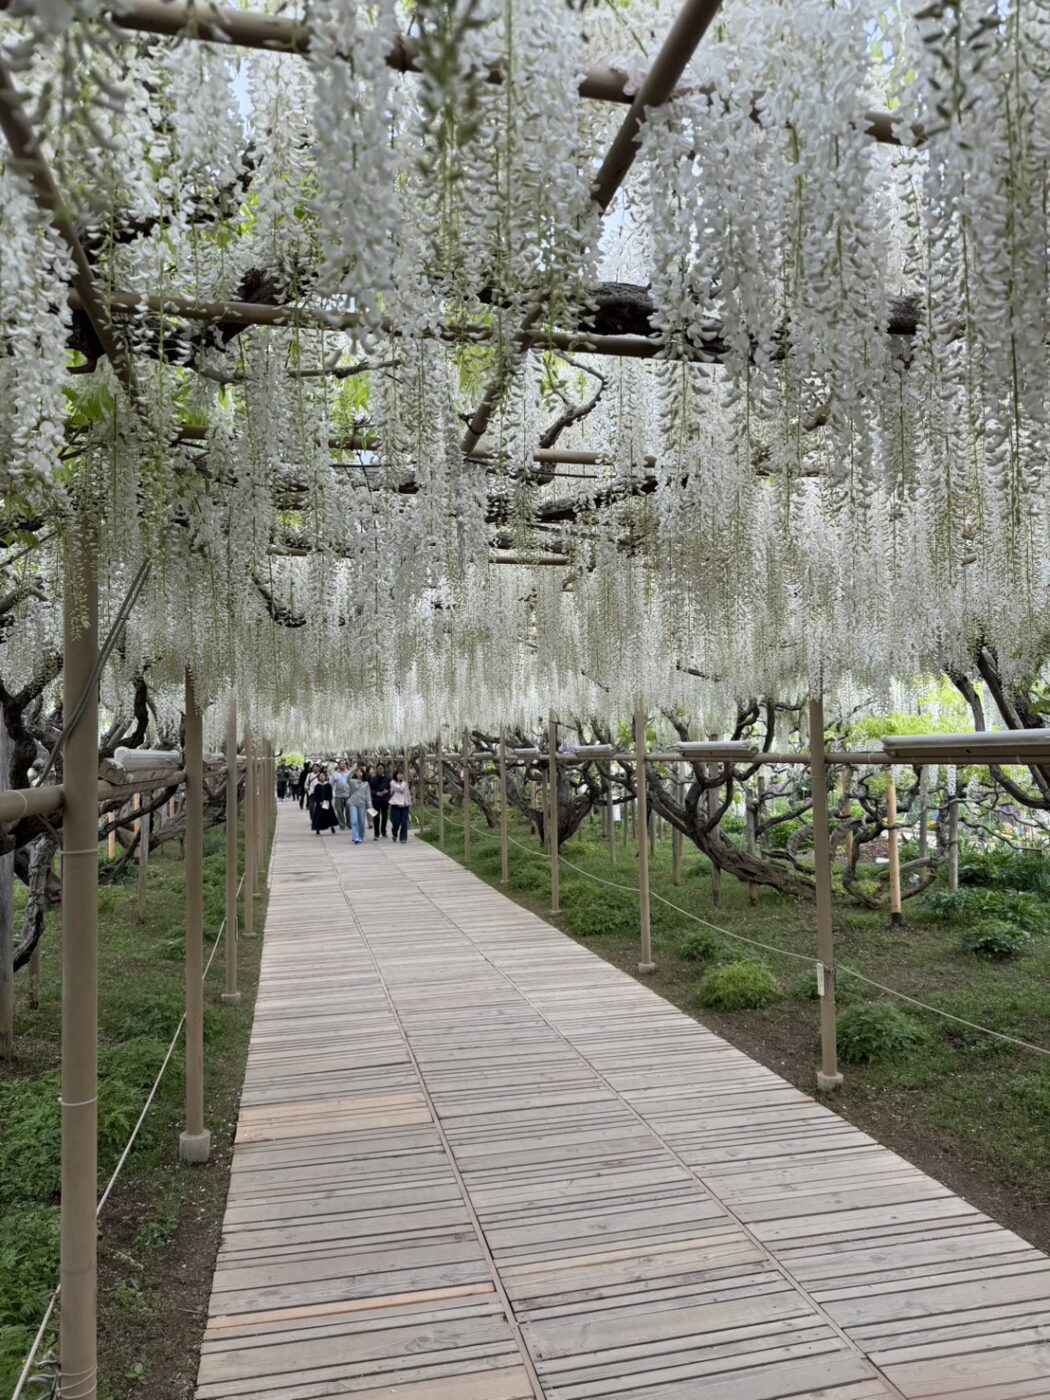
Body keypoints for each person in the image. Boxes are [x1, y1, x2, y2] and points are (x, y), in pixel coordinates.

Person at [311, 767, 338, 836]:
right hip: (319, 804)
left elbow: (330, 794)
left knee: (329, 816)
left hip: (327, 803)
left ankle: (332, 827)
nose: (322, 777)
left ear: (325, 777)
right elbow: (316, 795)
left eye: (323, 776)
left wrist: (327, 801)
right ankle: (317, 829)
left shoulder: (328, 785)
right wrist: (319, 801)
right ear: (318, 778)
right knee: (318, 817)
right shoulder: (317, 786)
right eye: (320, 776)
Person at [369, 762, 392, 840]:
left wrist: (387, 791)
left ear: (384, 769)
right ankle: (376, 834)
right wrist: (376, 793)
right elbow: (370, 790)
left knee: (385, 816)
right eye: (378, 768)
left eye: (381, 768)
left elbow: (391, 788)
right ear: (376, 769)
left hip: (385, 800)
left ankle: (383, 832)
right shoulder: (373, 779)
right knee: (376, 817)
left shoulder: (388, 778)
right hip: (375, 800)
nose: (380, 770)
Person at [348, 767, 370, 844]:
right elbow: (347, 779)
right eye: (357, 772)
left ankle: (361, 836)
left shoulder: (366, 783)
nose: (359, 773)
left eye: (360, 772)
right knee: (354, 821)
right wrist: (351, 771)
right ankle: (355, 837)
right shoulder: (352, 781)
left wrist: (370, 806)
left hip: (362, 803)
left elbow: (368, 795)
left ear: (363, 773)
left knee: (361, 821)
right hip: (353, 803)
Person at [389, 768, 410, 843]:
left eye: (402, 774)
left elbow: (407, 793)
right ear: (395, 775)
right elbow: (400, 789)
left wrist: (409, 803)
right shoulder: (392, 783)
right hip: (396, 805)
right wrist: (403, 783)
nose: (401, 775)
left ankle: (403, 838)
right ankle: (394, 833)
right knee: (396, 822)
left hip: (404, 805)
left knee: (404, 822)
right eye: (399, 774)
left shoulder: (405, 783)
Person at [331, 760, 351, 830]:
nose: (343, 765)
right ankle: (342, 825)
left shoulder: (349, 773)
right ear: (338, 765)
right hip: (338, 795)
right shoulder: (334, 774)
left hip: (348, 795)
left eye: (344, 763)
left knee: (349, 810)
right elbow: (331, 784)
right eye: (341, 764)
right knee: (339, 811)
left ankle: (349, 824)